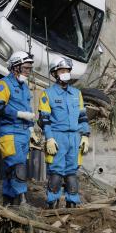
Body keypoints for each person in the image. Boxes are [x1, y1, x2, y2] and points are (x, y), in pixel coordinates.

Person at [38, 57, 90, 208]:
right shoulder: (47, 94)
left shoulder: (76, 93)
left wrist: (85, 135)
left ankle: (72, 204)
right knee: (56, 173)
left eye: (67, 70)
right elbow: (45, 120)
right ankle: (52, 203)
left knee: (71, 173)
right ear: (55, 73)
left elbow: (83, 116)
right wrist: (49, 138)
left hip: (74, 137)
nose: (65, 73)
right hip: (57, 137)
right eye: (62, 71)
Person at [0, 51, 38, 206]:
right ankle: (22, 203)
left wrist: (31, 129)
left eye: (29, 68)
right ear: (15, 66)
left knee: (12, 170)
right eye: (25, 68)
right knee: (18, 169)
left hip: (23, 133)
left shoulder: (24, 88)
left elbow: (28, 111)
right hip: (10, 133)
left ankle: (8, 203)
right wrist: (18, 114)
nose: (28, 71)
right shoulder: (3, 84)